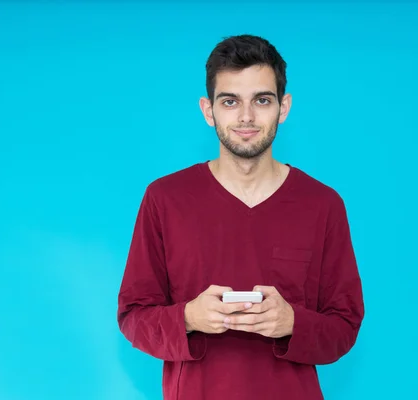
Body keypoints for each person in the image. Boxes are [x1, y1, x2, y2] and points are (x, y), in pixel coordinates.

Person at [117, 34, 365, 400]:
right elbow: (133, 316)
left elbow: (344, 326)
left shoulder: (322, 204)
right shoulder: (165, 199)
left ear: (284, 107)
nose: (246, 117)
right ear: (208, 110)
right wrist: (188, 317)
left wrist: (293, 322)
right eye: (230, 101)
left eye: (262, 100)